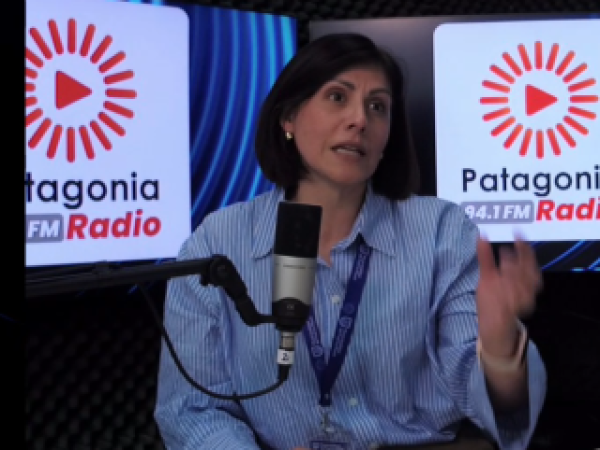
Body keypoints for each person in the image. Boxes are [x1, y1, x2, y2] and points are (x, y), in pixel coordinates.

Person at [154, 33, 546, 450]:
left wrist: (500, 350)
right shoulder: (216, 244)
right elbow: (192, 410)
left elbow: (502, 412)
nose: (360, 120)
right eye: (337, 97)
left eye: (377, 107)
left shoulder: (442, 231)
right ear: (288, 118)